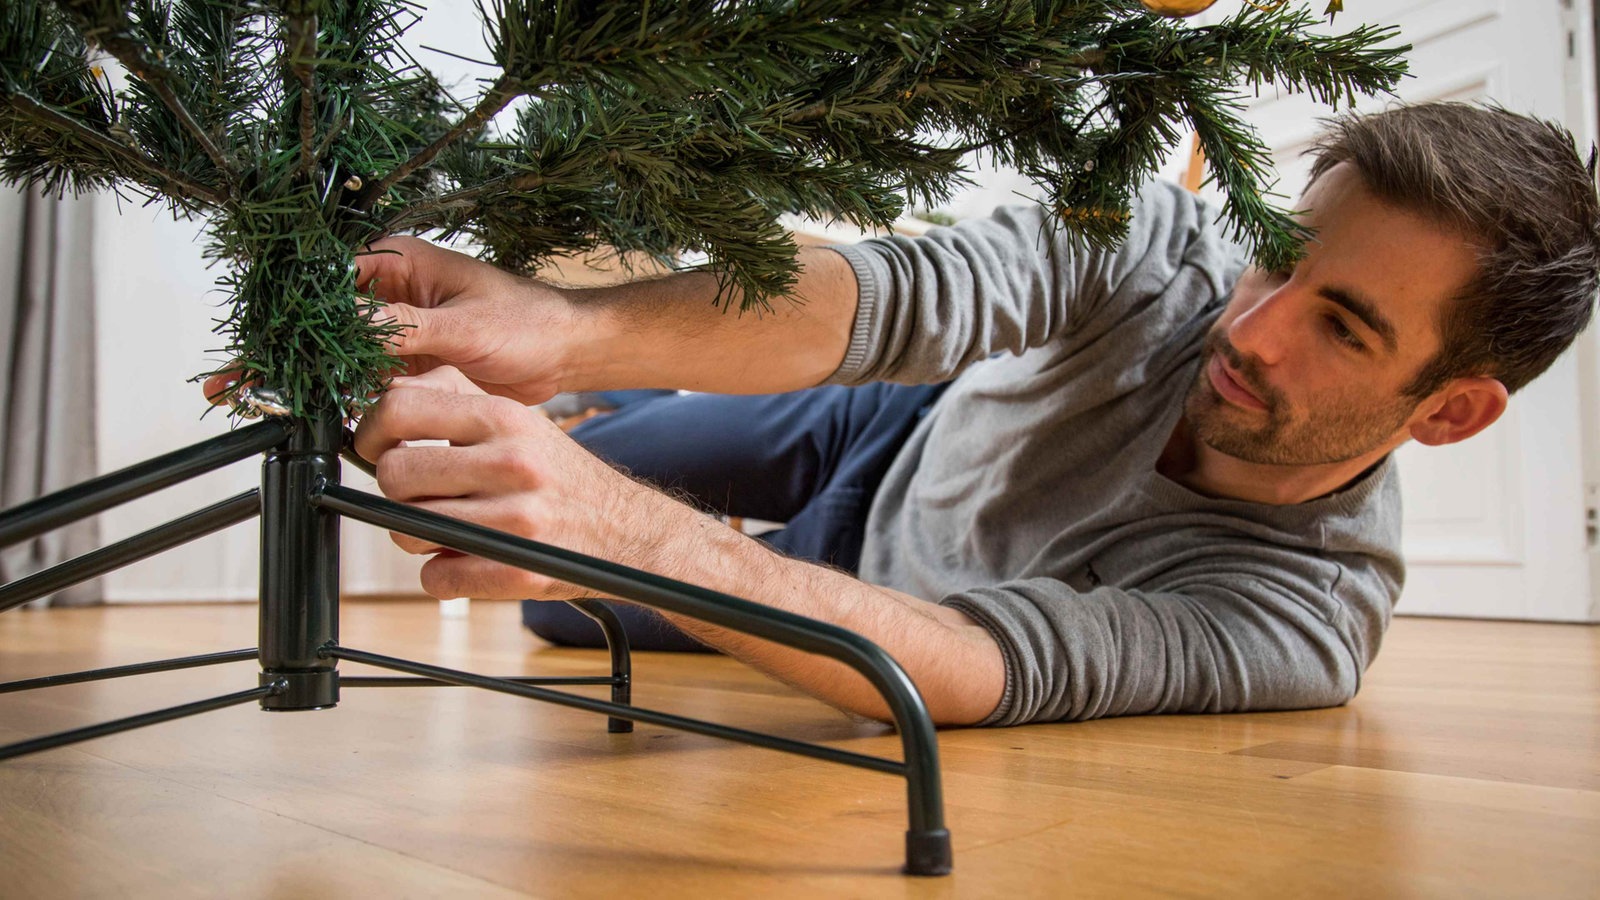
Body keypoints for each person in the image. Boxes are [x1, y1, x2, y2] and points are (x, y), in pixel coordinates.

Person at [210, 103, 1600, 727]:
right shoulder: (1174, 249)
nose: (1248, 328)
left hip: (873, 580)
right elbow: (903, 293)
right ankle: (625, 385)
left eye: (1343, 325)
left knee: (550, 602)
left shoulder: (1301, 615)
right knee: (603, 456)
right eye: (1279, 260)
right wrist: (559, 322)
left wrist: (619, 528)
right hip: (890, 424)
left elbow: (995, 670)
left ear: (1454, 413)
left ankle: (630, 425)